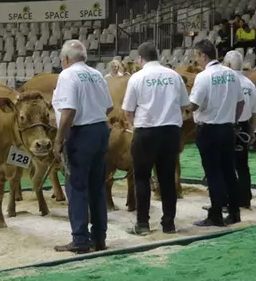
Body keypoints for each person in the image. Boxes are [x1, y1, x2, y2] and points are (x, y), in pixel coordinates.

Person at [121, 42, 190, 235]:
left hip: (146, 131)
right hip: (170, 131)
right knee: (167, 178)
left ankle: (142, 224)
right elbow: (185, 105)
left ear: (141, 59)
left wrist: (134, 127)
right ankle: (169, 224)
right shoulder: (174, 76)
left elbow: (127, 111)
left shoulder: (137, 77)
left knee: (141, 178)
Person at [52, 40, 113, 253]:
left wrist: (59, 140)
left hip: (80, 133)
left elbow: (68, 111)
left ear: (66, 59)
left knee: (76, 187)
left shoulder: (67, 75)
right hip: (100, 131)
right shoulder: (96, 74)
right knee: (97, 187)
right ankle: (99, 238)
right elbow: (109, 106)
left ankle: (80, 240)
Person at [190, 39, 245, 227]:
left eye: (197, 56)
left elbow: (194, 105)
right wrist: (234, 120)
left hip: (209, 129)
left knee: (213, 173)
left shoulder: (204, 76)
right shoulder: (232, 74)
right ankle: (235, 212)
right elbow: (240, 102)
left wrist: (182, 106)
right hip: (228, 128)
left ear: (203, 56)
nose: (196, 60)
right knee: (229, 171)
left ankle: (215, 214)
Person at [223, 50, 256, 208]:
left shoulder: (225, 83)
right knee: (242, 164)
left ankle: (227, 200)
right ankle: (245, 199)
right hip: (244, 126)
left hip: (226, 126)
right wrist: (252, 131)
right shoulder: (249, 84)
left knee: (226, 165)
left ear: (229, 64)